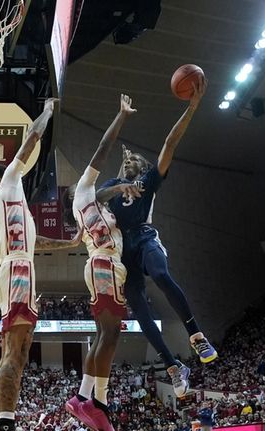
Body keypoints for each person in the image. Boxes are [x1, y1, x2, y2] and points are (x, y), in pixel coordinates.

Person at [97, 76, 216, 397]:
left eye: (135, 159)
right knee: (140, 310)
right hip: (123, 251)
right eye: (126, 160)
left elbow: (170, 143)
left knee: (162, 274)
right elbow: (97, 196)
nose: (129, 160)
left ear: (143, 166)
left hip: (146, 238)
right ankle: (173, 366)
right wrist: (120, 186)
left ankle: (195, 334)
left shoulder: (150, 180)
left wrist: (192, 107)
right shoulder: (113, 184)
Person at [0, 98, 83, 431]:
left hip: (20, 268)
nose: (20, 172)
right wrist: (47, 112)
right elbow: (30, 142)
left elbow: (33, 242)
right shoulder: (8, 184)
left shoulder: (14, 206)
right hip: (17, 271)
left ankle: (2, 418)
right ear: (2, 179)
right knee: (16, 349)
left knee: (19, 352)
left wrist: (68, 242)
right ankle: (6, 423)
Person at [61, 94, 140, 431]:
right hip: (103, 265)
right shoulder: (81, 193)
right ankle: (94, 402)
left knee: (105, 336)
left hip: (109, 266)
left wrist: (123, 184)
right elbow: (101, 152)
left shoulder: (95, 205)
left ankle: (86, 399)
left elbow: (105, 194)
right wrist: (121, 116)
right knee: (110, 333)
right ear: (73, 195)